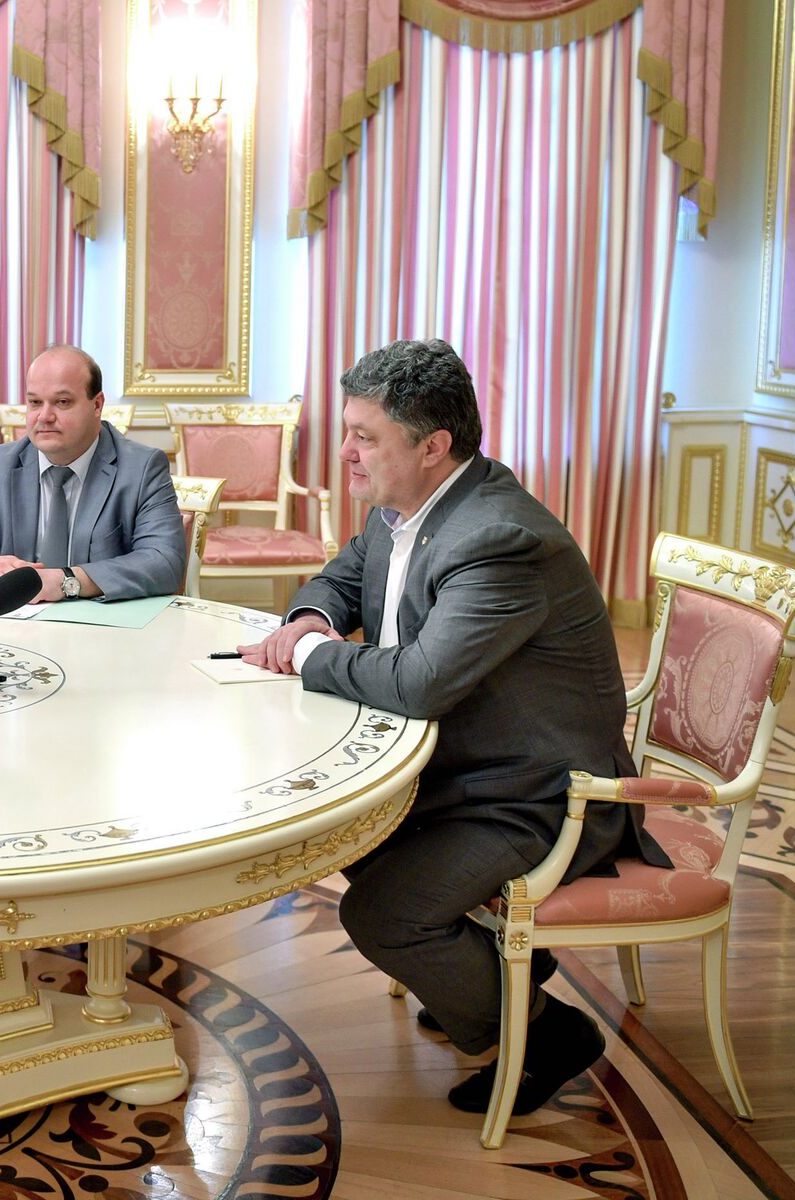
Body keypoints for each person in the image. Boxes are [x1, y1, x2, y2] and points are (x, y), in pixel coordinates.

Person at [240, 338, 664, 1116]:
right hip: (467, 767)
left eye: (364, 437)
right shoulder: (406, 506)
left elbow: (422, 681)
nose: (345, 454)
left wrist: (305, 654)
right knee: (344, 835)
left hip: (542, 794)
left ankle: (547, 1034)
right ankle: (483, 976)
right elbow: (343, 575)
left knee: (383, 913)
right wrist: (310, 616)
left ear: (433, 446)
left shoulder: (499, 539)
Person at [0, 345, 184, 602]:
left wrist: (66, 582)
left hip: (103, 622)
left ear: (97, 405)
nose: (45, 416)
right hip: (16, 622)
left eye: (62, 402)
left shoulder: (141, 468)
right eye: (35, 402)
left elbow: (164, 562)